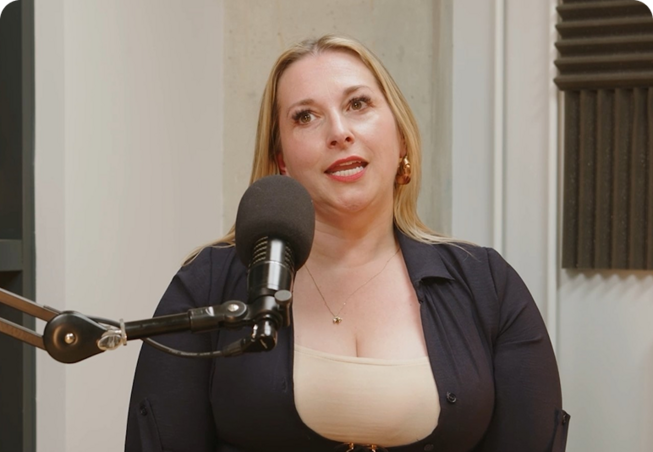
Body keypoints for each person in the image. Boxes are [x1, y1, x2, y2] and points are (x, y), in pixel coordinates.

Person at [125, 35, 569, 452]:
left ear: (400, 137)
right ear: (281, 160)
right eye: (305, 116)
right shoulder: (206, 284)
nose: (339, 132)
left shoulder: (487, 285)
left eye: (358, 104)